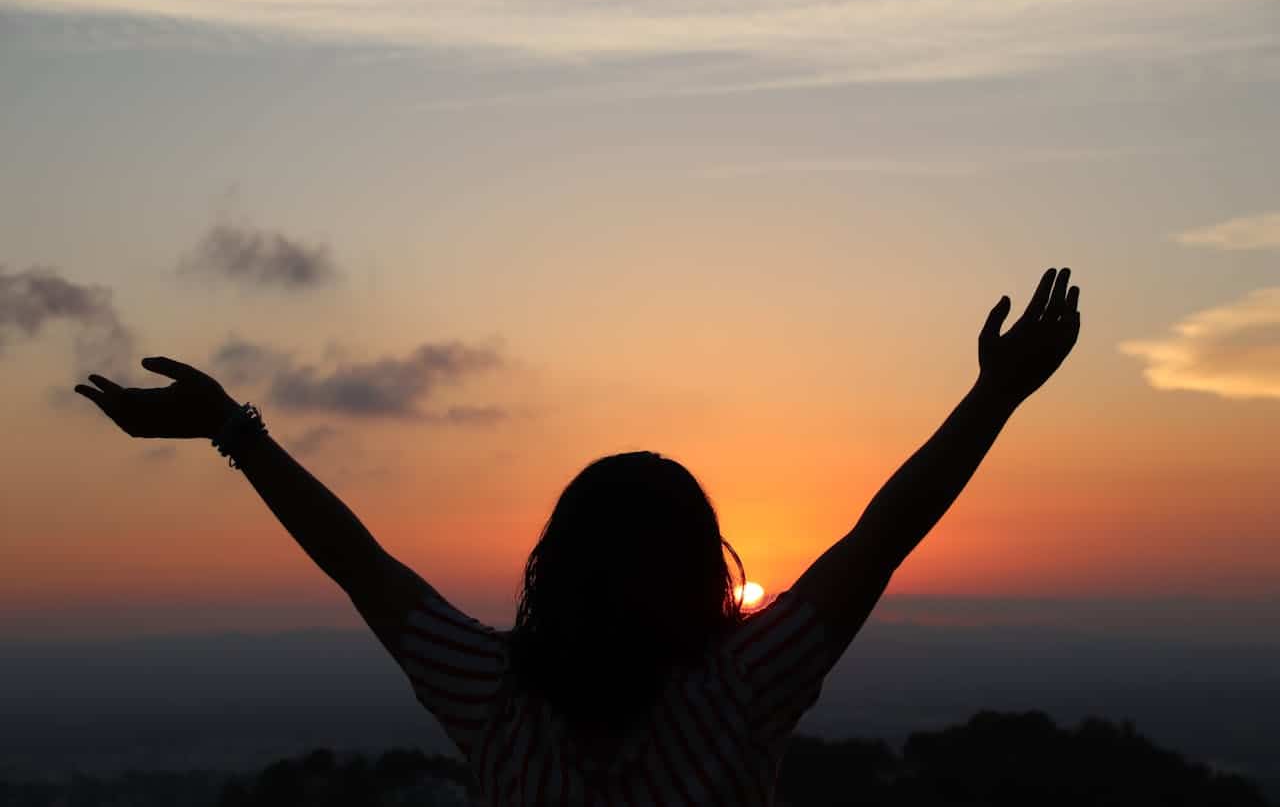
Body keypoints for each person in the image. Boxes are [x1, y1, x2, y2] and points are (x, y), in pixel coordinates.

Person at [74, 267, 1081, 806]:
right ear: (701, 571)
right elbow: (882, 536)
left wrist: (234, 433)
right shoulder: (741, 689)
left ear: (556, 570)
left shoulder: (492, 696)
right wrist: (993, 396)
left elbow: (359, 565)